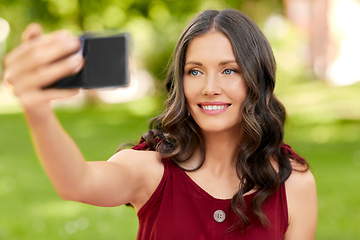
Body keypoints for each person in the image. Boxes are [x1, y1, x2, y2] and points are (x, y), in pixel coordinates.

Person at [3, 8, 317, 240]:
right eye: (194, 71)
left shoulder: (294, 185)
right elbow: (77, 182)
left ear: (256, 79)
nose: (209, 86)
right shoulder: (151, 170)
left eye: (229, 70)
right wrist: (38, 110)